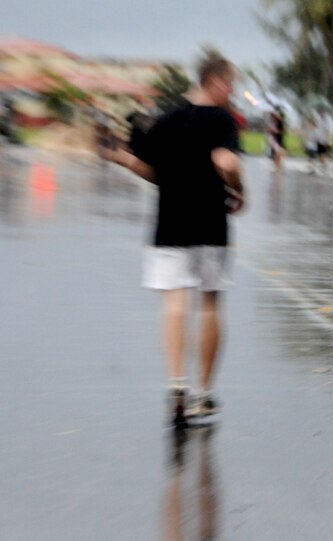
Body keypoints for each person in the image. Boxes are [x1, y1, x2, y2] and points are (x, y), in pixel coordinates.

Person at [102, 51, 245, 428]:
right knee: (210, 304)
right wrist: (239, 189)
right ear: (214, 81)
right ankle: (203, 393)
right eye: (231, 83)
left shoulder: (165, 120)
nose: (233, 91)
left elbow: (150, 171)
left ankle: (177, 384)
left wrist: (121, 158)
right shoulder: (221, 119)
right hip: (211, 225)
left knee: (174, 302)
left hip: (169, 225)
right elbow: (226, 163)